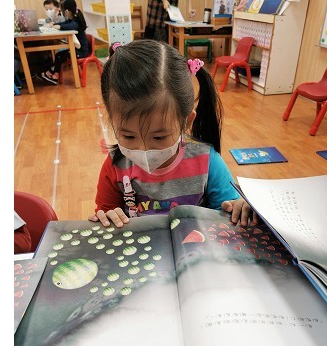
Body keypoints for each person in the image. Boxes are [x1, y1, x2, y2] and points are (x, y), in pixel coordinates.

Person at [89, 39, 258, 229]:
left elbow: (228, 211)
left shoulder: (207, 161)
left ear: (186, 122)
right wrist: (108, 217)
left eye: (159, 137)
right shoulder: (115, 166)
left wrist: (239, 207)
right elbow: (106, 215)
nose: (144, 149)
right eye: (128, 136)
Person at [40, 0, 89, 85]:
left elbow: (72, 26)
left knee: (60, 56)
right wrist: (55, 24)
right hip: (77, 49)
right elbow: (64, 23)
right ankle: (54, 72)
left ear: (66, 12)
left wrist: (59, 27)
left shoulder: (76, 21)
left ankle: (54, 74)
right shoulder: (71, 19)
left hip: (81, 52)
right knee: (58, 55)